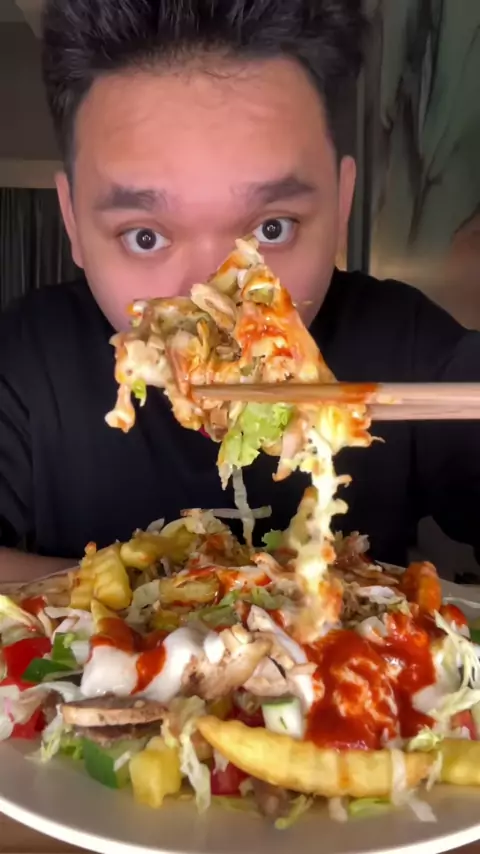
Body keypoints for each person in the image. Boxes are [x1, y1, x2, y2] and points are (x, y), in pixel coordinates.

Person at [0, 0, 479, 583]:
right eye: (145, 236)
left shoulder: (406, 341)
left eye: (272, 228)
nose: (218, 309)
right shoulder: (28, 352)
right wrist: (152, 599)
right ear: (74, 223)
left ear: (341, 205)